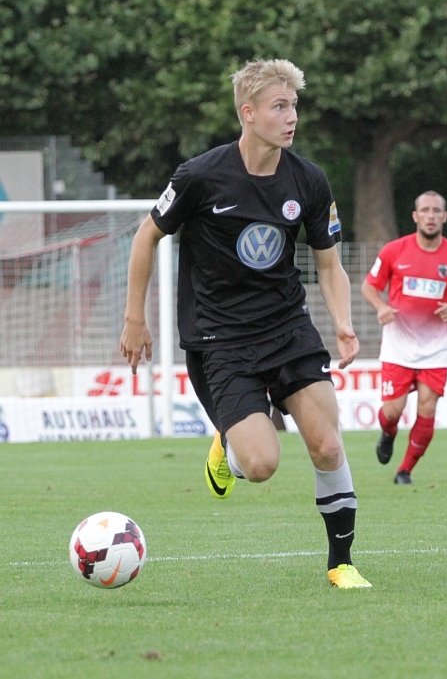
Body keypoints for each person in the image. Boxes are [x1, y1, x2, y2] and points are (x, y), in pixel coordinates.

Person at [120, 58, 371, 589]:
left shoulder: (308, 179)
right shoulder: (200, 176)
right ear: (248, 112)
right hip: (220, 340)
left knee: (327, 445)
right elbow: (146, 236)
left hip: (287, 329)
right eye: (280, 106)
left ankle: (341, 563)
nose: (292, 117)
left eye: (294, 105)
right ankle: (228, 447)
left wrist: (343, 323)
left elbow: (329, 264)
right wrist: (134, 318)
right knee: (260, 465)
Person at [361, 191, 447, 484]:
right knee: (392, 411)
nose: (430, 216)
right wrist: (382, 307)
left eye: (436, 211)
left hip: (436, 347)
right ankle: (388, 433)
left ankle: (405, 471)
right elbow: (369, 287)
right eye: (425, 210)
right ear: (415, 216)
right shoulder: (394, 251)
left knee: (427, 408)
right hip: (398, 345)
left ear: (444, 217)